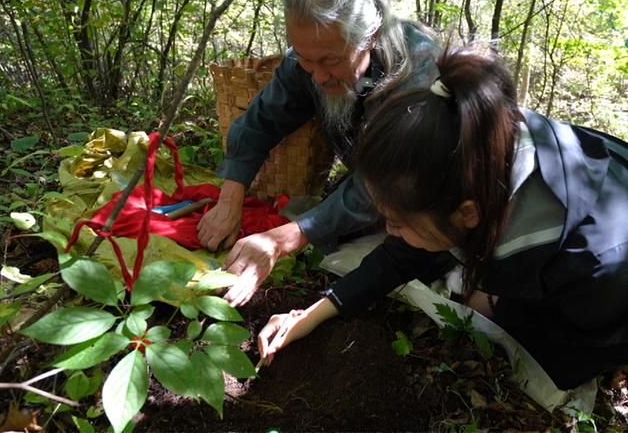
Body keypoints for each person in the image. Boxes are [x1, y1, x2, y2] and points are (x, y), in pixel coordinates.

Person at [256, 43, 628, 391]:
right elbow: (402, 254)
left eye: (399, 223)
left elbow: (576, 352)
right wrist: (315, 312)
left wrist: (499, 304)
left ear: (467, 215)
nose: (389, 231)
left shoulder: (592, 266)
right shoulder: (470, 139)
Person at [197, 0, 440, 306]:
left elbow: (386, 182)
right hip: (369, 179)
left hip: (426, 194)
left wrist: (282, 240)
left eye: (329, 61)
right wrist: (230, 199)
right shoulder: (310, 56)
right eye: (307, 61)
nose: (317, 76)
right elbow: (261, 120)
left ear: (368, 37)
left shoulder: (415, 69)